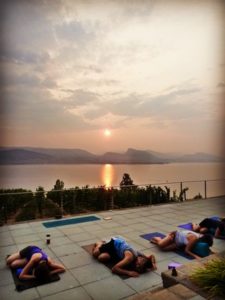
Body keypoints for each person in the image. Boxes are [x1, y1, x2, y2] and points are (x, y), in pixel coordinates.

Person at [92, 236, 157, 277]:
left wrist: (153, 264)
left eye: (139, 268)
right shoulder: (130, 257)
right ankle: (100, 243)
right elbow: (114, 269)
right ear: (140, 258)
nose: (137, 266)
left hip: (118, 252)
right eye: (139, 265)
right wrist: (128, 273)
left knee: (102, 258)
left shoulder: (141, 257)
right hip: (115, 243)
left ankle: (107, 252)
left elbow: (151, 256)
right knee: (95, 254)